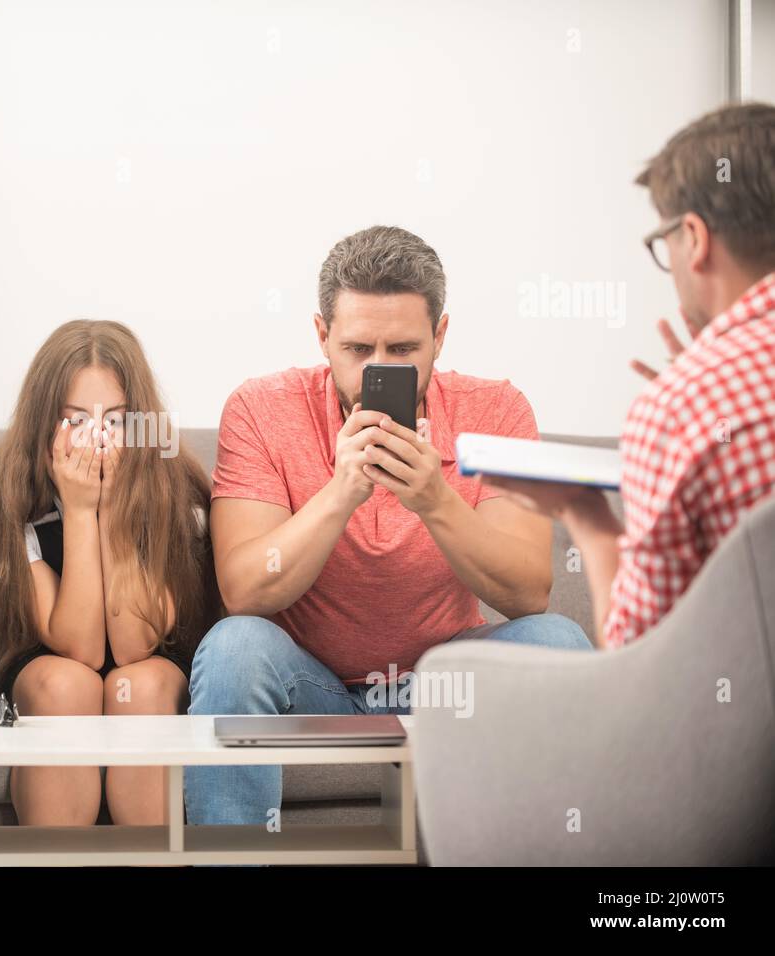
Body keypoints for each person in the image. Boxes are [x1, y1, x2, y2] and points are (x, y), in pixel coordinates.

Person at [185, 225, 590, 826]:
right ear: (322, 336)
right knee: (234, 648)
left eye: (403, 350)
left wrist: (435, 501)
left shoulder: (498, 411)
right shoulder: (261, 408)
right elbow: (243, 591)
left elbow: (528, 593)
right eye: (357, 350)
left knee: (558, 645)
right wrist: (342, 492)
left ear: (440, 336)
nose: (379, 369)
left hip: (441, 683)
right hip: (310, 680)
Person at [486, 102, 775, 648]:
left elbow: (639, 668)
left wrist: (587, 518)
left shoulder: (683, 406)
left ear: (694, 237)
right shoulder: (705, 395)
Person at [0, 319, 222, 826]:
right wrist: (78, 512)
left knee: (139, 685)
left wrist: (114, 511)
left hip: (150, 656)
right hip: (46, 659)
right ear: (43, 424)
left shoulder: (176, 488)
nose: (97, 439)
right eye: (75, 420)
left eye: (115, 421)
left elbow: (131, 646)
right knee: (67, 683)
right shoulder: (8, 498)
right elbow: (79, 648)